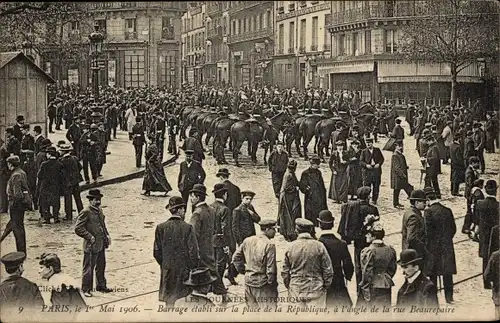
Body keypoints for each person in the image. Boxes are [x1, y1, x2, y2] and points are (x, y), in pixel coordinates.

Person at [154, 196, 199, 306]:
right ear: (179, 210)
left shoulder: (161, 227)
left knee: (169, 303)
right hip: (183, 271)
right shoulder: (188, 228)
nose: (184, 211)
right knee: (183, 302)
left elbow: (156, 252)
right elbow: (193, 253)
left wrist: (165, 263)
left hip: (167, 271)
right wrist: (190, 267)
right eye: (183, 209)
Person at [282, 218, 333, 307]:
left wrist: (290, 285)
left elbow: (285, 271)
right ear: (310, 230)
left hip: (296, 289)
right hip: (316, 288)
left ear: (296, 231)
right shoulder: (319, 246)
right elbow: (328, 270)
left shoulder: (290, 247)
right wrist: (325, 286)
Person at [189, 184, 228, 300]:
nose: (191, 198)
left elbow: (193, 235)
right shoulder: (211, 210)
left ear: (197, 197)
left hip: (200, 248)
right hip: (209, 246)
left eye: (192, 196)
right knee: (212, 270)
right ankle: (223, 294)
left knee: (197, 272)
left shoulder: (197, 213)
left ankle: (195, 296)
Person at [338, 186, 379, 288]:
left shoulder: (351, 206)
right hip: (369, 240)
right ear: (367, 196)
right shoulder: (372, 209)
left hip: (357, 240)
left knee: (358, 264)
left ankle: (359, 286)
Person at [232, 219, 278, 310]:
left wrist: (244, 271)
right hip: (263, 285)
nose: (275, 232)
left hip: (249, 283)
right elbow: (271, 270)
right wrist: (271, 285)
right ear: (267, 229)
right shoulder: (270, 245)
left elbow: (235, 258)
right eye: (274, 229)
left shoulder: (247, 240)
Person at [74, 189, 113, 297]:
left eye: (99, 199)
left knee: (101, 265)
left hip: (101, 243)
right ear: (90, 200)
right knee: (88, 268)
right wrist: (89, 236)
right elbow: (78, 228)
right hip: (91, 245)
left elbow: (102, 225)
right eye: (96, 200)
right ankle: (86, 289)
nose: (98, 202)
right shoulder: (86, 212)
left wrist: (107, 235)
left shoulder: (99, 210)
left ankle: (101, 286)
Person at [424, 188, 457, 304]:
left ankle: (433, 298)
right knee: (447, 272)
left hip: (434, 247)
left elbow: (428, 232)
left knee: (433, 272)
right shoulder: (447, 210)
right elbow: (453, 228)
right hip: (447, 245)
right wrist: (447, 239)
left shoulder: (428, 212)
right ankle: (449, 297)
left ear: (428, 200)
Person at [317, 210, 353, 307]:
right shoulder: (341, 243)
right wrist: (348, 276)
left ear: (320, 224)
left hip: (321, 281)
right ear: (332, 224)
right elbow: (348, 265)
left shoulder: (317, 244)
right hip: (338, 280)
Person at [359, 222, 397, 307]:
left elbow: (366, 272)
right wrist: (385, 277)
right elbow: (392, 268)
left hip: (372, 285)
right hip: (386, 283)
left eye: (368, 234)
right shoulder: (390, 250)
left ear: (373, 236)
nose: (366, 236)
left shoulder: (368, 251)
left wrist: (365, 289)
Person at [0, 156, 29, 253]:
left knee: (17, 229)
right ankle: (21, 251)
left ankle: (21, 251)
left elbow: (18, 193)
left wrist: (14, 203)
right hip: (20, 205)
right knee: (15, 226)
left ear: (10, 164)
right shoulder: (21, 172)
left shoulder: (15, 175)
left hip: (16, 205)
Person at [210, 183, 236, 290]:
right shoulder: (224, 209)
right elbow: (225, 228)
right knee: (220, 264)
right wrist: (226, 244)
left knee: (212, 263)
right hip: (220, 241)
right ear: (225, 194)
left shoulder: (210, 206)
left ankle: (212, 285)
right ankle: (218, 286)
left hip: (211, 240)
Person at [475, 180, 499, 289]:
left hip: (484, 235)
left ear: (485, 189)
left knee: (485, 257)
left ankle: (486, 281)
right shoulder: (498, 206)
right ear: (496, 191)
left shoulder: (480, 203)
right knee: (496, 257)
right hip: (496, 235)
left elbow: (475, 219)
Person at [401, 189, 428, 275]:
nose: (425, 204)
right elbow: (411, 238)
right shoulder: (414, 216)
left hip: (409, 251)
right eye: (423, 202)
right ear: (416, 203)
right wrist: (424, 248)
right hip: (414, 254)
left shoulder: (409, 212)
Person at [37, 146, 64, 224]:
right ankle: (56, 217)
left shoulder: (44, 164)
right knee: (56, 202)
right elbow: (62, 176)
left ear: (49, 154)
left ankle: (47, 218)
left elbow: (39, 175)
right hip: (56, 186)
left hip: (45, 186)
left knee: (46, 202)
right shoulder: (59, 164)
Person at [299, 155, 328, 227]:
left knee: (319, 214)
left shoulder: (318, 172)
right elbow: (302, 186)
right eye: (316, 165)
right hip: (310, 198)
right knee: (310, 216)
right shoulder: (305, 173)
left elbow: (321, 185)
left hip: (319, 197)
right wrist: (307, 190)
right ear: (312, 164)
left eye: (318, 165)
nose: (317, 166)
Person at [278, 159, 301, 241]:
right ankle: (288, 233)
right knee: (288, 215)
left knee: (288, 215)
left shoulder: (290, 174)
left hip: (288, 196)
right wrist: (296, 188)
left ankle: (289, 232)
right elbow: (287, 187)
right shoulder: (289, 175)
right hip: (287, 198)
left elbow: (295, 182)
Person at [58, 144, 84, 221]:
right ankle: (81, 213)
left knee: (68, 199)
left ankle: (69, 216)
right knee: (77, 198)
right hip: (76, 181)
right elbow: (80, 167)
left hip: (67, 182)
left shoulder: (61, 160)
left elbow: (60, 172)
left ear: (63, 151)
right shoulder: (75, 158)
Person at [360, 138, 384, 204]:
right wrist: (366, 165)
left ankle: (374, 199)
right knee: (367, 186)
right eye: (367, 143)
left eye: (369, 143)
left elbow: (382, 159)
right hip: (367, 172)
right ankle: (366, 199)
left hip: (376, 171)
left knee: (376, 186)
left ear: (372, 143)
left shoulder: (377, 150)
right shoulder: (364, 151)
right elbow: (361, 161)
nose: (368, 144)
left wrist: (379, 164)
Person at [391, 140, 414, 208]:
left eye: (401, 145)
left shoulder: (399, 154)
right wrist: (403, 175)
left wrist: (406, 167)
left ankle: (396, 203)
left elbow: (401, 164)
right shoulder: (395, 155)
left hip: (401, 176)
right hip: (399, 176)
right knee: (403, 189)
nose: (401, 147)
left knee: (400, 189)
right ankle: (396, 203)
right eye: (399, 146)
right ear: (395, 146)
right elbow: (396, 168)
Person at [463, 156, 481, 234]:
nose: (478, 164)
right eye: (476, 163)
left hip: (471, 193)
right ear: (472, 163)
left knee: (471, 210)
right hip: (470, 194)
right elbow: (470, 184)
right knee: (470, 211)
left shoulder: (471, 170)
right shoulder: (469, 172)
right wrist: (478, 181)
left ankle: (469, 226)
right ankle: (466, 227)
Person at [484, 250, 499, 319]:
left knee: (498, 305)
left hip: (497, 288)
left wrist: (491, 281)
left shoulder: (495, 255)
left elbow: (486, 274)